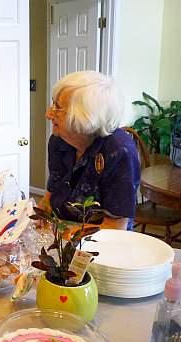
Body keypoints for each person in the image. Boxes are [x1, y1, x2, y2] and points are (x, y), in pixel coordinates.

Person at [38, 71, 140, 230]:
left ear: (84, 115)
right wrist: (31, 223)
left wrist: (57, 232)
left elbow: (115, 228)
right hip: (60, 238)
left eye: (57, 107)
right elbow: (51, 196)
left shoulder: (119, 152)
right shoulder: (59, 141)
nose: (48, 114)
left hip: (103, 246)